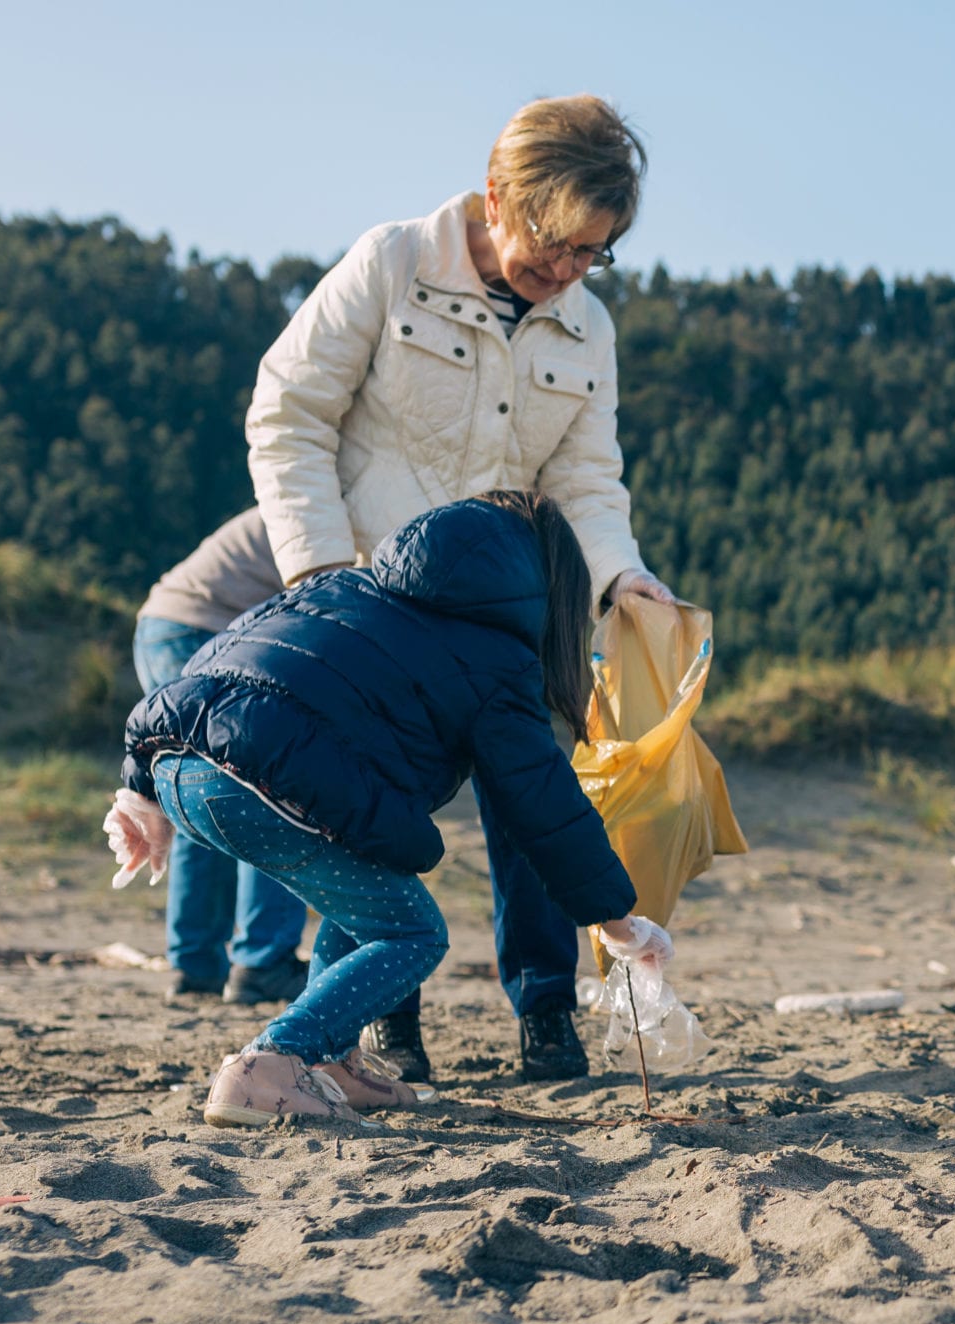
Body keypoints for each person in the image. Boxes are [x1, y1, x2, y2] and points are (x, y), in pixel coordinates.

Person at [243, 94, 674, 1084]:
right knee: (375, 815)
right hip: (375, 613)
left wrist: (621, 574)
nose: (566, 272)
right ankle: (391, 1027)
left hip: (516, 615)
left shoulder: (587, 327)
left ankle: (546, 1014)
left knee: (539, 800)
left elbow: (584, 482)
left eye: (592, 255)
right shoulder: (390, 262)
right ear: (497, 196)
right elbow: (288, 414)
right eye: (554, 244)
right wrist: (319, 570)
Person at [108, 493, 667, 1128]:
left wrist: (142, 789)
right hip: (263, 776)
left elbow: (219, 656)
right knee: (412, 932)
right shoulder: (499, 659)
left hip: (178, 759)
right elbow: (544, 806)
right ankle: (273, 1059)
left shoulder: (346, 582)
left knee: (371, 890)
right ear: (551, 588)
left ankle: (332, 1061)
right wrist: (617, 921)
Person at [131, 512, 309, 1006]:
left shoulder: (312, 486)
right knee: (269, 790)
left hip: (171, 622)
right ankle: (262, 960)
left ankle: (197, 966)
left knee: (200, 795)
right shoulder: (332, 503)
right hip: (202, 627)